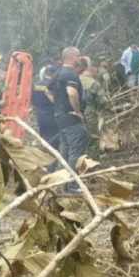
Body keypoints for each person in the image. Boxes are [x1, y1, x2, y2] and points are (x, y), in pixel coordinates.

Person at [50, 47, 88, 193]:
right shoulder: (71, 74)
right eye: (79, 55)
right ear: (72, 57)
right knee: (76, 149)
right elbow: (72, 93)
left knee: (66, 149)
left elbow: (49, 92)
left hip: (60, 116)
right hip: (71, 117)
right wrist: (77, 111)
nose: (80, 57)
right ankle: (72, 184)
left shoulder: (57, 73)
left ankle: (64, 181)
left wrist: (60, 106)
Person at [81, 62, 111, 162]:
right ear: (93, 71)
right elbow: (103, 101)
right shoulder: (94, 83)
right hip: (90, 113)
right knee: (92, 138)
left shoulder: (74, 80)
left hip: (74, 114)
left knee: (78, 138)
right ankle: (92, 163)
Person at [31, 65, 60, 165]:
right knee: (53, 145)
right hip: (52, 118)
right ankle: (50, 167)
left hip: (40, 117)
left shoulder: (36, 84)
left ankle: (42, 162)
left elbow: (33, 101)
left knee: (44, 140)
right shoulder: (54, 85)